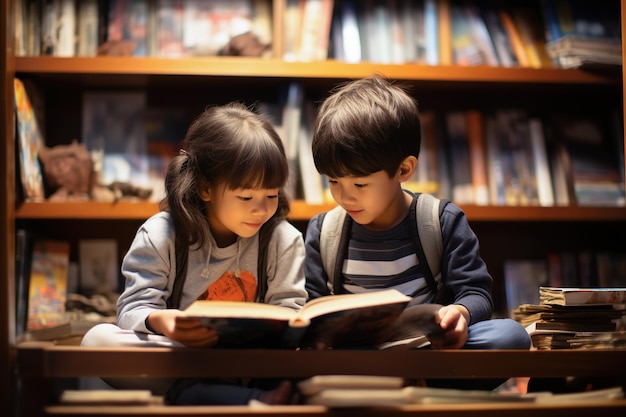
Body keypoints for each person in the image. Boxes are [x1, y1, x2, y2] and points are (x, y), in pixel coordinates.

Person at [303, 75, 531, 390]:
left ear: (404, 170)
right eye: (333, 181)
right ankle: (402, 383)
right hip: (358, 355)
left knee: (511, 336)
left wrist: (459, 314)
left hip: (427, 349)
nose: (345, 197)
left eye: (360, 184)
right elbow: (313, 306)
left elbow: (476, 293)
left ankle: (394, 384)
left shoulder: (441, 220)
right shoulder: (324, 230)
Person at [82, 102, 307, 404]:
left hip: (250, 361)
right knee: (97, 341)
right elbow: (133, 308)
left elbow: (290, 313)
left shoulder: (284, 239)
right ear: (205, 188)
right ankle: (243, 398)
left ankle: (217, 394)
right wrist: (163, 322)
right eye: (245, 196)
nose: (262, 208)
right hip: (180, 357)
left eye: (271, 195)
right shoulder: (161, 234)